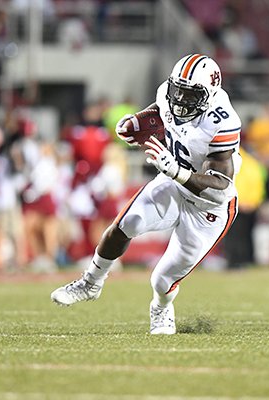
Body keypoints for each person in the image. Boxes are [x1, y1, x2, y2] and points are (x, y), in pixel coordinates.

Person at [51, 53, 242, 335]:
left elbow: (221, 184)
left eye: (190, 95)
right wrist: (137, 123)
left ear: (209, 95)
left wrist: (177, 171)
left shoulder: (222, 121)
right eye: (179, 90)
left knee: (162, 280)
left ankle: (161, 308)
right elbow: (160, 112)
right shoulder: (168, 94)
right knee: (125, 225)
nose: (179, 99)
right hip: (174, 182)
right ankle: (91, 282)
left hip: (209, 206)